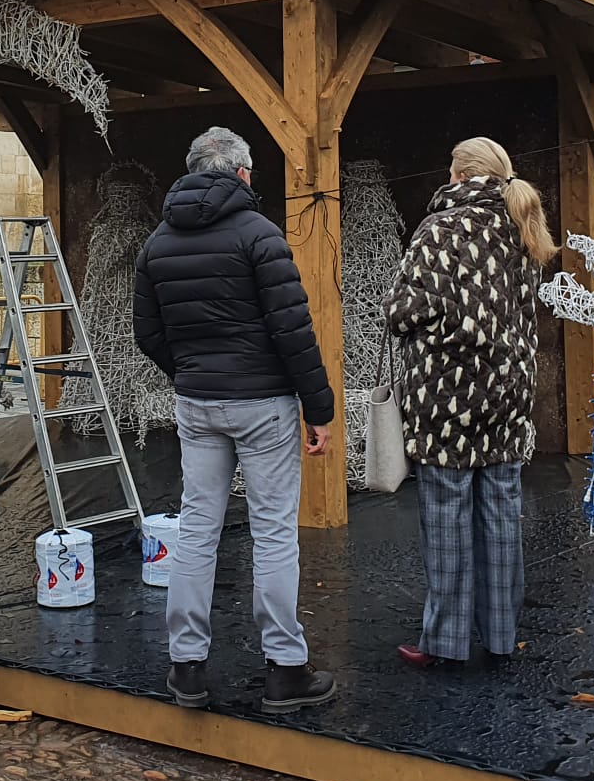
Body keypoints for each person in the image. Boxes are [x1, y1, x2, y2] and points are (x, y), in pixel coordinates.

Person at [134, 126, 337, 714]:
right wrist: (318, 408)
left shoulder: (157, 243)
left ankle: (187, 668)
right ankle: (285, 669)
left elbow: (148, 334)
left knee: (198, 529)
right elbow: (293, 331)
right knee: (273, 532)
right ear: (243, 173)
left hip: (197, 402)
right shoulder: (260, 235)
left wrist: (190, 372)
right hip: (264, 404)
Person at [384, 137, 556, 670]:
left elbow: (401, 311)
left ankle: (446, 642)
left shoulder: (439, 230)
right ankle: (501, 637)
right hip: (508, 393)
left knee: (447, 515)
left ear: (457, 175)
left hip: (446, 399)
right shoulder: (523, 229)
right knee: (502, 514)